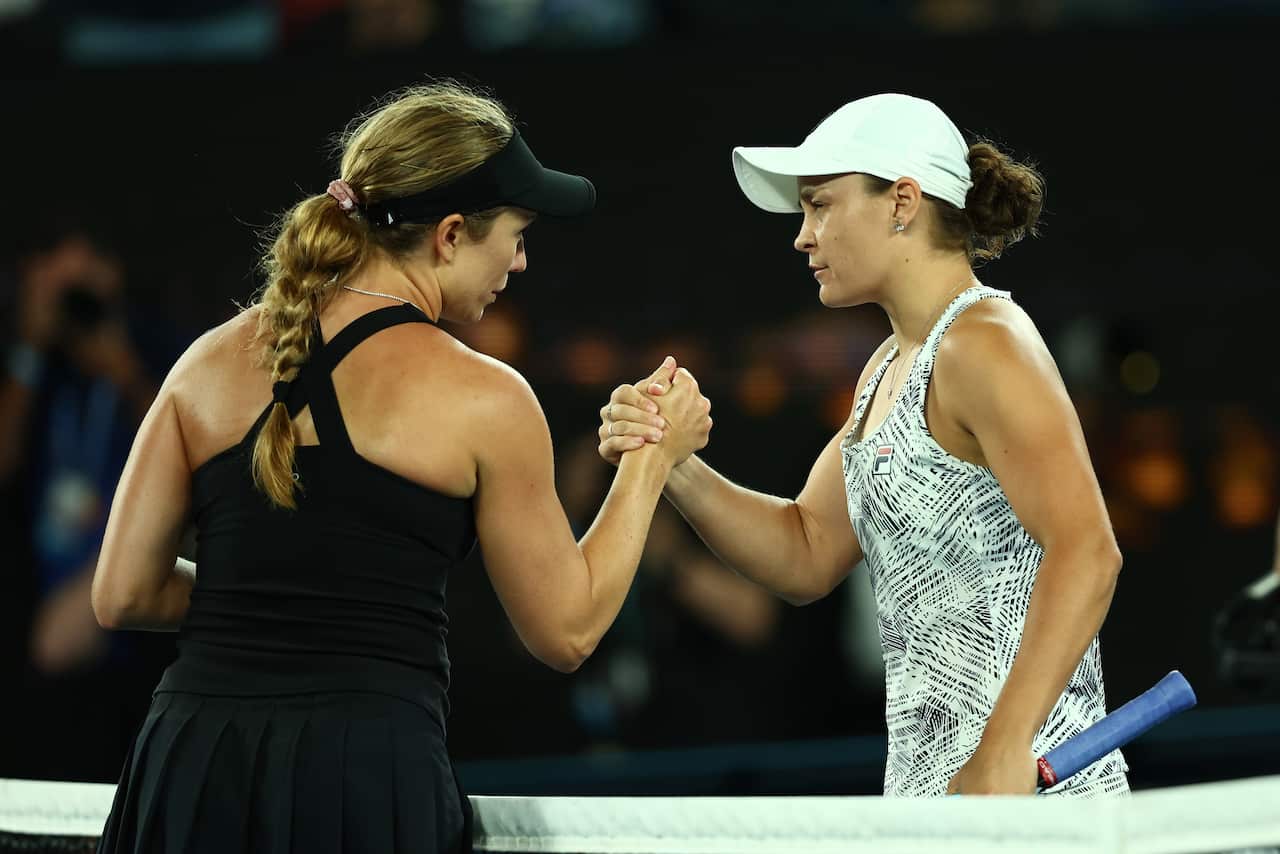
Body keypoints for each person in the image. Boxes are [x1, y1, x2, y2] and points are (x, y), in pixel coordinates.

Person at [89, 80, 710, 853]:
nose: (519, 261)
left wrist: (269, 599)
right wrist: (653, 457)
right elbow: (568, 629)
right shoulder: (487, 396)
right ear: (449, 236)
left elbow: (123, 593)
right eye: (514, 234)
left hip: (187, 770)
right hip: (359, 775)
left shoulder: (202, 366)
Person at [598, 93, 1129, 797]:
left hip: (1033, 806)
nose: (802, 236)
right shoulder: (886, 367)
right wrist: (670, 460)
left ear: (902, 202)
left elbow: (1088, 548)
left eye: (820, 206)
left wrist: (1006, 746)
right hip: (937, 805)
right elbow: (805, 551)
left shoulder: (985, 343)